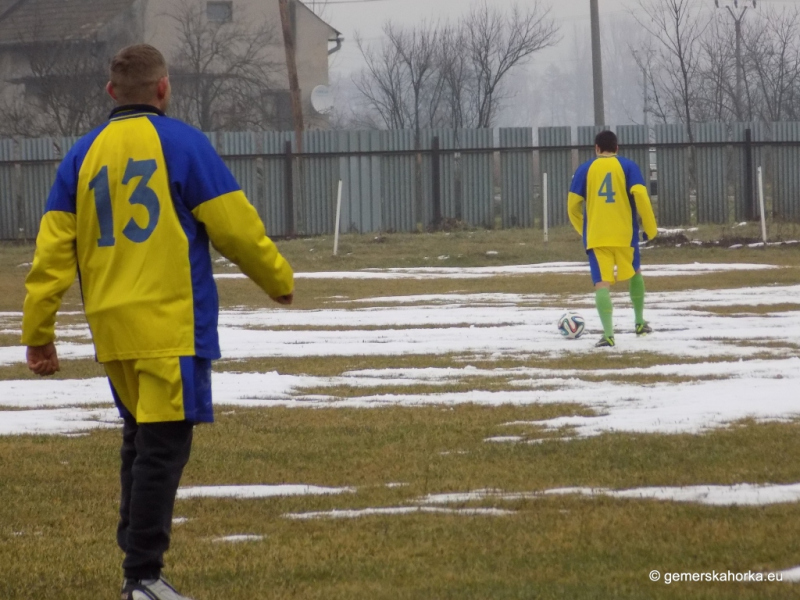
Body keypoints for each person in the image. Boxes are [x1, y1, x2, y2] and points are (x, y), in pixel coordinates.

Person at [21, 44, 294, 600]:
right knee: (163, 447)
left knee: (140, 443)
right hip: (168, 323)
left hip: (112, 329)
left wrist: (39, 333)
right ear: (164, 89)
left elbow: (51, 253)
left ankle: (138, 571)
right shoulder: (185, 144)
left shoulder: (81, 154)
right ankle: (141, 577)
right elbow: (234, 226)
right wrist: (278, 278)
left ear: (110, 92)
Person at [567, 130, 658, 348]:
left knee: (601, 284)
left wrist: (584, 231)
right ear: (617, 148)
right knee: (635, 272)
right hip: (625, 235)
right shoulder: (628, 166)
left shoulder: (585, 169)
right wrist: (650, 229)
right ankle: (638, 323)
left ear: (596, 149)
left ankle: (608, 335)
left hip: (597, 237)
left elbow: (572, 206)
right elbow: (642, 196)